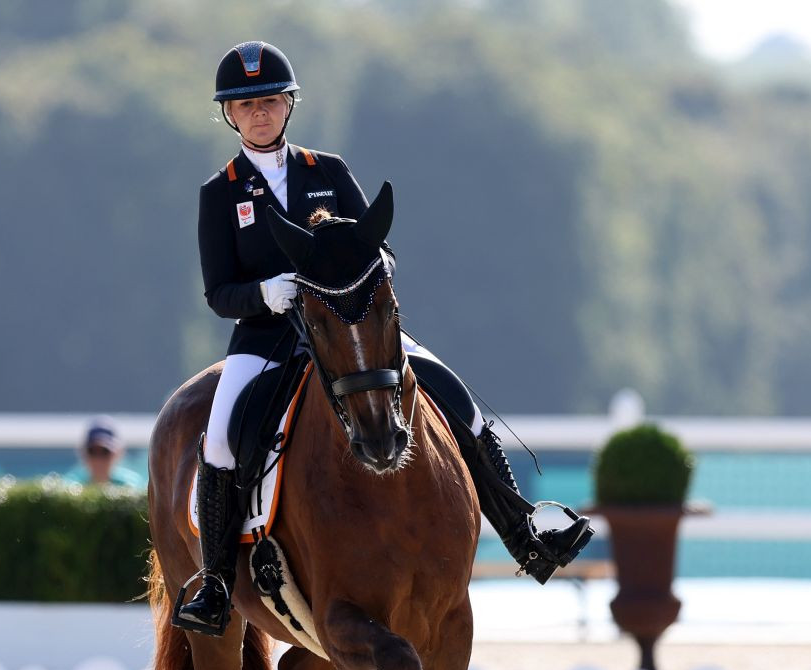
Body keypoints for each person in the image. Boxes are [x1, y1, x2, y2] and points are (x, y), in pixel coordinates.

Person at [174, 41, 593, 635]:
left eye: (269, 100)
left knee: (457, 398)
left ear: (288, 105)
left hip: (352, 327)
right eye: (246, 106)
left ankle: (523, 531)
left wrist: (379, 268)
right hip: (269, 337)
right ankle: (216, 580)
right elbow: (218, 291)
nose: (259, 113)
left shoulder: (329, 171)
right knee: (219, 439)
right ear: (230, 115)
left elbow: (378, 244)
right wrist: (265, 293)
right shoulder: (220, 193)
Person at [65, 415, 143, 488]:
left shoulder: (132, 485)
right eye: (92, 451)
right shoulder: (70, 485)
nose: (98, 459)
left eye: (105, 452)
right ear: (83, 454)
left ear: (117, 454)